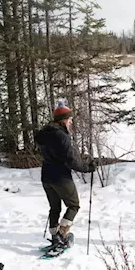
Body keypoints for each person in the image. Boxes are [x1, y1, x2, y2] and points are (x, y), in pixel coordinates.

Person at [36, 102, 96, 247]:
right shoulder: (62, 136)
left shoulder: (44, 134)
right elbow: (70, 160)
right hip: (61, 177)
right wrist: (87, 168)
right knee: (74, 205)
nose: (71, 122)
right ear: (63, 120)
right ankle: (61, 234)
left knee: (54, 207)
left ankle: (54, 235)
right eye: (69, 119)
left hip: (46, 177)